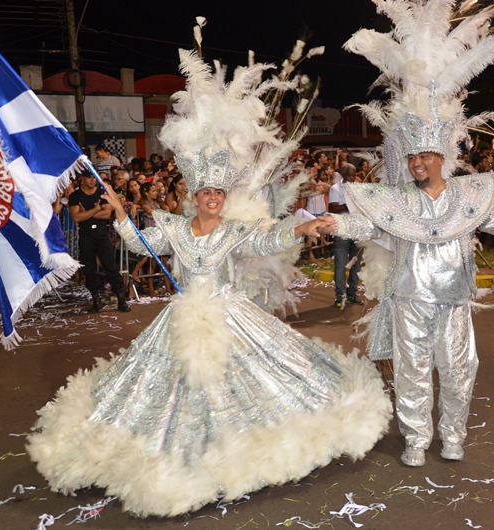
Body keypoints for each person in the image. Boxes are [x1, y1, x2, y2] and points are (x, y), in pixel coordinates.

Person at [27, 41, 391, 517]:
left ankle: (239, 456)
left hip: (229, 316)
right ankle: (181, 460)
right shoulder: (176, 228)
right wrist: (119, 216)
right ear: (194, 195)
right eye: (206, 193)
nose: (213, 199)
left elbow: (263, 242)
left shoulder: (235, 229)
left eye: (219, 192)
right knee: (167, 391)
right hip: (181, 319)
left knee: (247, 383)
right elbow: (141, 244)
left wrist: (299, 225)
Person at [326, 0, 494, 468]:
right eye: (412, 158)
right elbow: (372, 226)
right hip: (410, 298)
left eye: (425, 156)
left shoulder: (469, 196)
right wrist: (334, 223)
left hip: (453, 297)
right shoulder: (400, 199)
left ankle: (453, 435)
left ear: (442, 156)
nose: (418, 163)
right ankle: (416, 438)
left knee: (458, 370)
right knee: (412, 373)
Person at [68, 172, 130, 313]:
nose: (92, 180)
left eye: (94, 178)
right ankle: (97, 300)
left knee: (110, 266)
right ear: (82, 179)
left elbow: (106, 214)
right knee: (88, 268)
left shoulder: (102, 193)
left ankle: (121, 300)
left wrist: (88, 212)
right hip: (85, 235)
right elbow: (76, 217)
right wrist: (96, 209)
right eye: (89, 177)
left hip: (102, 233)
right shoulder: (75, 196)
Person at [328, 162, 363, 308]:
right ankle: (339, 295)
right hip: (342, 231)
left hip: (357, 230)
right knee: (341, 265)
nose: (352, 177)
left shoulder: (359, 188)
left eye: (354, 174)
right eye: (349, 175)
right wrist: (348, 205)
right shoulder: (335, 188)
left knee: (356, 264)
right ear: (342, 174)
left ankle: (352, 294)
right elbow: (332, 207)